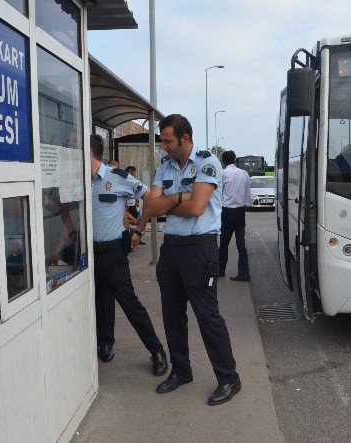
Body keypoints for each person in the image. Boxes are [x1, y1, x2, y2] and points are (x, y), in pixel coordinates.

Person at [140, 114, 241, 406]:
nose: (163, 146)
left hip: (199, 249)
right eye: (162, 141)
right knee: (172, 315)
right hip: (171, 250)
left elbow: (197, 207)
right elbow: (150, 204)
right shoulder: (165, 165)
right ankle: (181, 370)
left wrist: (168, 202)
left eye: (168, 141)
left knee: (208, 317)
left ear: (184, 139)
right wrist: (176, 199)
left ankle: (229, 378)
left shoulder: (208, 163)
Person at [89, 134, 167, 376]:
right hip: (88, 253)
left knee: (129, 303)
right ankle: (105, 343)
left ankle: (157, 351)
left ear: (87, 151)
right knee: (100, 301)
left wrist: (138, 230)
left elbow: (152, 200)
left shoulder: (117, 178)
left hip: (112, 251)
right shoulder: (77, 181)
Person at [218, 150, 251, 281]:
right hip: (240, 212)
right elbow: (248, 193)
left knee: (224, 243)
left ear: (223, 161)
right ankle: (244, 273)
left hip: (226, 212)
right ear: (235, 160)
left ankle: (220, 271)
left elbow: (219, 193)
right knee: (241, 244)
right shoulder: (244, 174)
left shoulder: (223, 174)